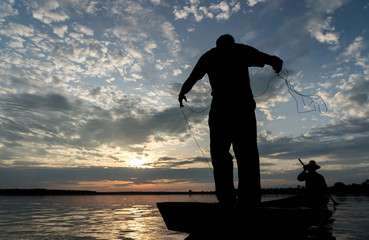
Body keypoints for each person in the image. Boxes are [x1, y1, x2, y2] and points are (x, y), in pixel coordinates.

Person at [178, 34, 283, 205]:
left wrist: (182, 92)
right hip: (238, 108)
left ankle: (230, 200)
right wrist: (276, 61)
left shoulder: (212, 55)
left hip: (226, 109)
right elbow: (266, 58)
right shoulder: (239, 50)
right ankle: (247, 200)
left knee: (224, 155)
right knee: (244, 154)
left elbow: (193, 77)